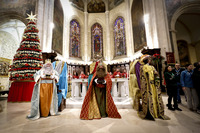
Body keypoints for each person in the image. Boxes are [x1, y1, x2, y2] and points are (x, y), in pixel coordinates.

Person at [139, 55, 169, 120]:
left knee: (155, 98)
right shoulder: (143, 67)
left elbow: (156, 74)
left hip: (154, 85)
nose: (150, 61)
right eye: (149, 60)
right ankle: (151, 112)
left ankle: (157, 112)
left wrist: (156, 76)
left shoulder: (152, 67)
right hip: (148, 86)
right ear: (147, 60)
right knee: (150, 98)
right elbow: (143, 77)